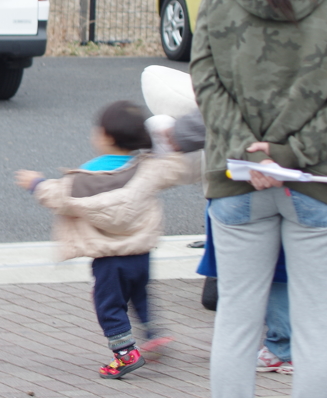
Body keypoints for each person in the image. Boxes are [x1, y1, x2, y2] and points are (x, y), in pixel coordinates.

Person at [191, 0, 327, 398]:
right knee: (319, 327)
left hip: (236, 179)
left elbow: (203, 74)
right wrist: (289, 153)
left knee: (235, 324)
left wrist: (247, 152)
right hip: (317, 181)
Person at [15, 100, 200, 380]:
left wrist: (36, 183)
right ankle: (152, 334)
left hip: (109, 258)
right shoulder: (148, 167)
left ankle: (125, 353)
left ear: (106, 137)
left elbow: (57, 197)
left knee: (108, 305)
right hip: (140, 253)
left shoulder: (85, 178)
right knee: (140, 294)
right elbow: (178, 169)